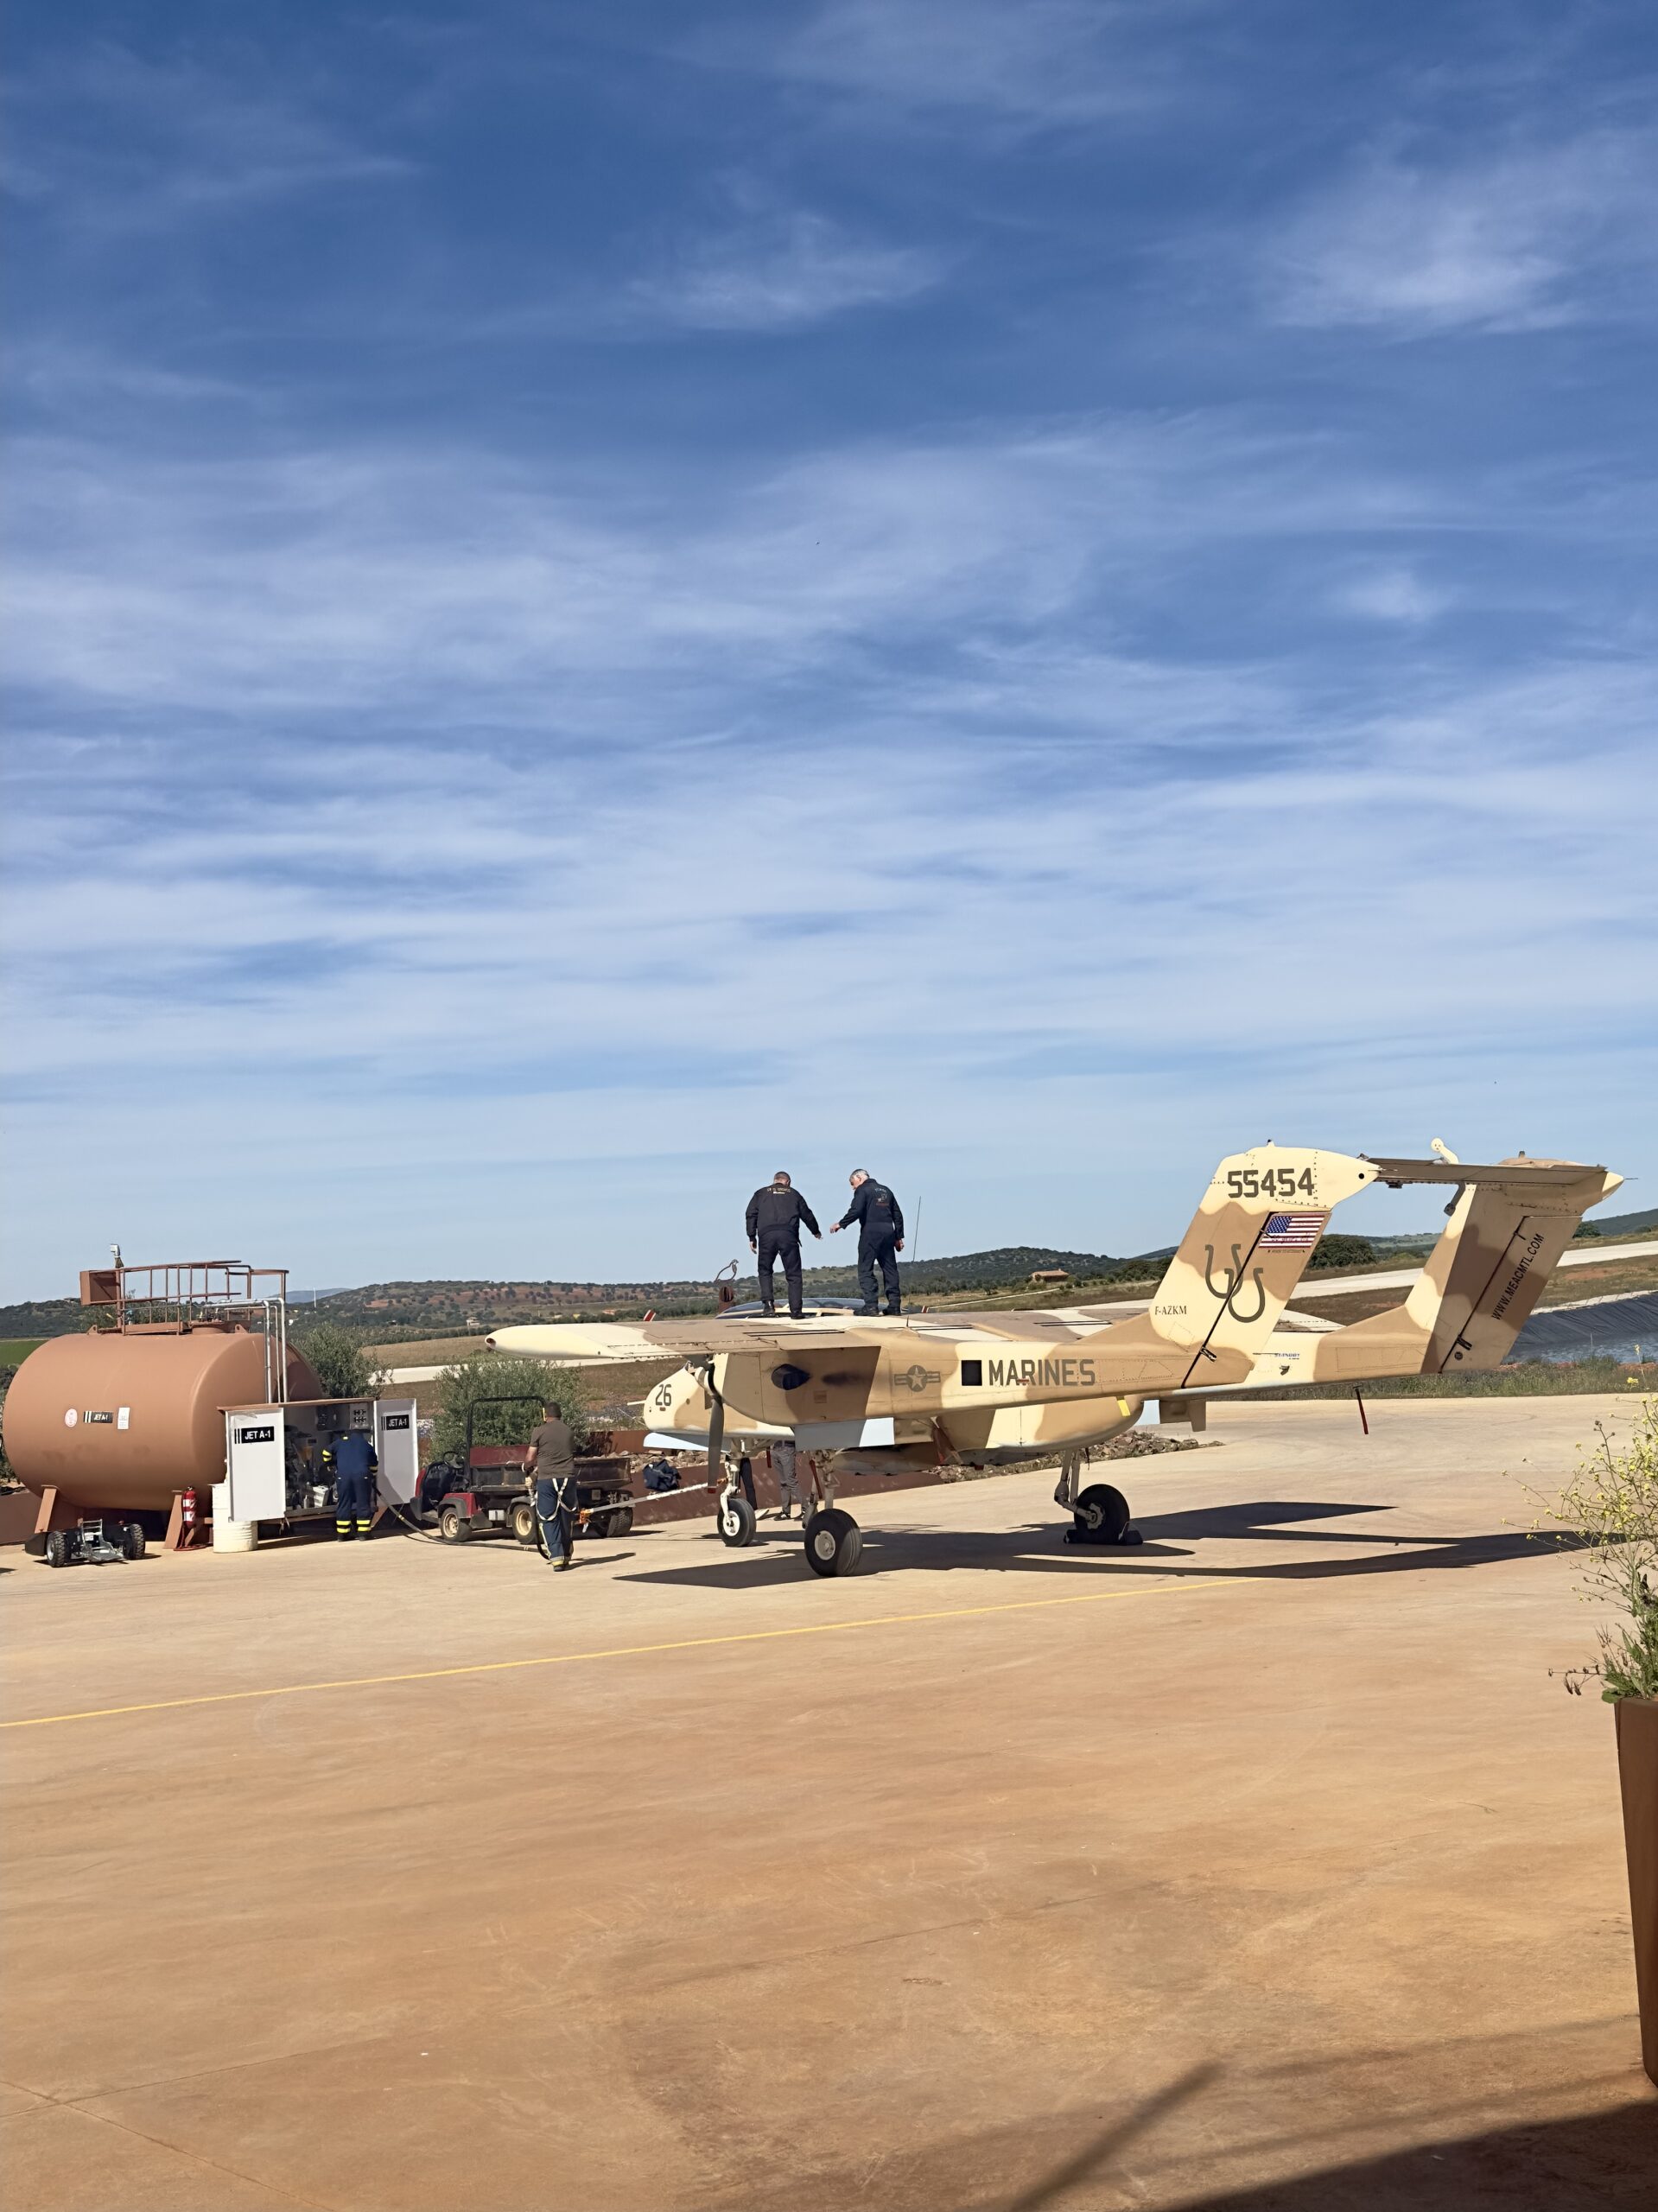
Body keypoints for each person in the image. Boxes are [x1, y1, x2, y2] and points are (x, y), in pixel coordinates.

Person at [745, 1170, 822, 1319]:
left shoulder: (760, 1194)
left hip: (767, 1236)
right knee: (793, 1274)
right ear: (788, 1182)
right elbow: (807, 1214)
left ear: (775, 1181)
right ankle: (796, 1311)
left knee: (765, 1270)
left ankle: (768, 1307)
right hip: (788, 1235)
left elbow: (750, 1214)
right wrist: (815, 1231)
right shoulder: (794, 1193)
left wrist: (751, 1236)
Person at [829, 1169, 905, 1315]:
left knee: (865, 1270)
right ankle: (895, 1306)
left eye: (852, 1183)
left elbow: (856, 1210)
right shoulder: (886, 1190)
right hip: (888, 1233)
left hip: (870, 1233)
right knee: (890, 1270)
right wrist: (898, 1237)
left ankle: (870, 1306)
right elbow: (897, 1214)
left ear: (859, 1177)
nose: (853, 1187)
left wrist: (841, 1224)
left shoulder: (863, 1190)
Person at [524, 1401, 578, 1571]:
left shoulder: (539, 1431)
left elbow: (531, 1457)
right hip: (568, 1478)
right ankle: (567, 1553)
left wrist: (526, 1468)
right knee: (565, 1516)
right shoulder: (568, 1431)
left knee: (548, 1517)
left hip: (547, 1480)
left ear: (545, 1415)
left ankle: (556, 1558)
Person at [332, 1426, 378, 1541]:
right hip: (362, 1476)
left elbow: (325, 1453)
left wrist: (332, 1464)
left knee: (344, 1503)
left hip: (343, 1476)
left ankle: (342, 1535)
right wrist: (372, 1475)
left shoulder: (339, 1443)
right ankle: (363, 1534)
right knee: (363, 1503)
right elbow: (374, 1464)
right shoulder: (366, 1445)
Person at [772, 1435, 804, 1520]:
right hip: (775, 1448)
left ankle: (807, 1509)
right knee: (783, 1483)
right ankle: (786, 1512)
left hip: (787, 1448)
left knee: (791, 1481)